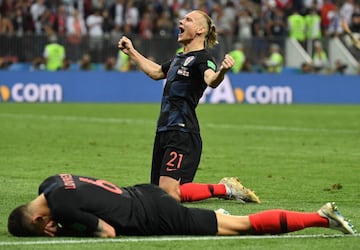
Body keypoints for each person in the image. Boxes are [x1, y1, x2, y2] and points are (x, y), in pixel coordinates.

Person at [118, 10, 260, 204]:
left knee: (169, 195)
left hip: (183, 133)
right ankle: (225, 189)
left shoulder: (203, 59)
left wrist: (223, 71)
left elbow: (211, 80)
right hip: (164, 131)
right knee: (158, 198)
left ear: (200, 30)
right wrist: (132, 52)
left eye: (188, 20)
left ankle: (227, 188)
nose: (181, 21)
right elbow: (156, 72)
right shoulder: (178, 59)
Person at [8, 173, 356, 237]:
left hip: (155, 216)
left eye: (48, 228)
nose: (53, 229)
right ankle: (221, 193)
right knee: (210, 216)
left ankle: (320, 217)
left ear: (39, 219)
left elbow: (108, 234)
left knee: (240, 226)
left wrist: (71, 230)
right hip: (145, 193)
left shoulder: (62, 210)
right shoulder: (50, 183)